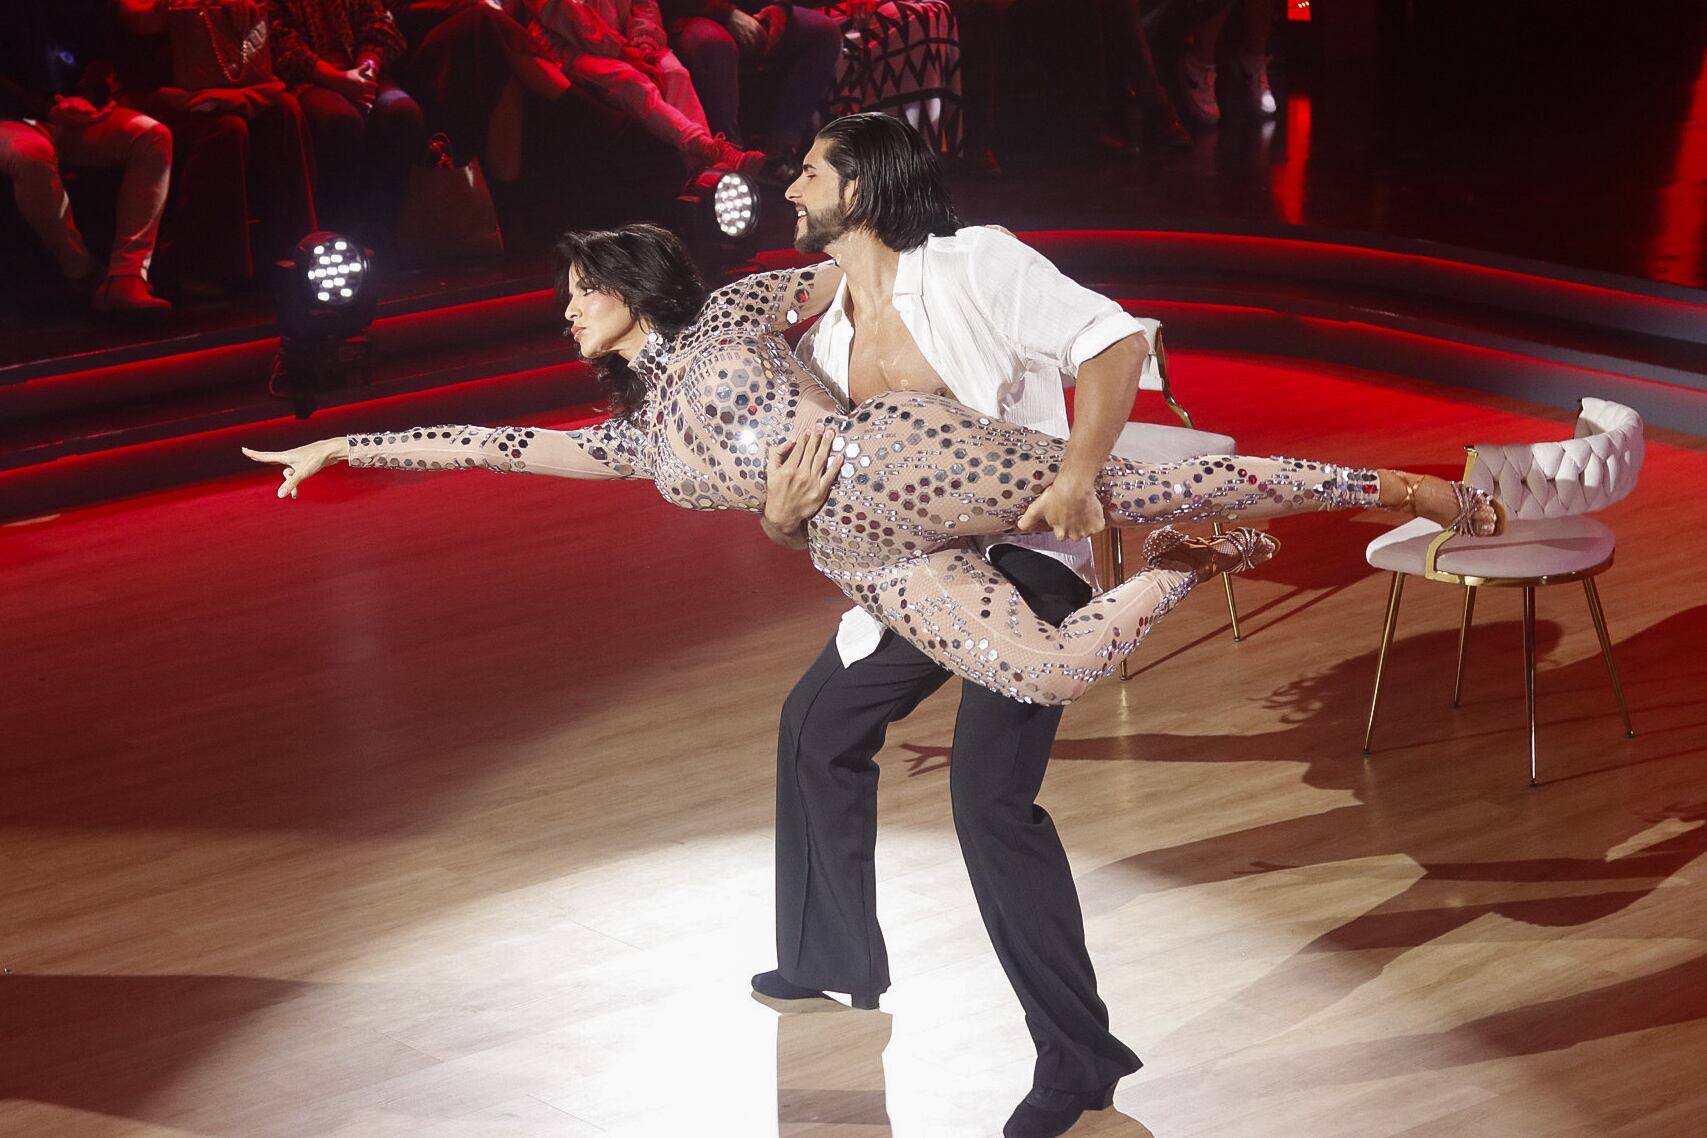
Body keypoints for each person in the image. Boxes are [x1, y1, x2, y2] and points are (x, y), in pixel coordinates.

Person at [245, 216, 1498, 1136]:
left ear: (631, 290)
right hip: (868, 557)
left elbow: (856, 256)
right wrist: (351, 443)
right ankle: (1168, 578)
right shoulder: (632, 437)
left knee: (1146, 503)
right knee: (879, 710)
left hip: (933, 473)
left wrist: (867, 240)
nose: (567, 311)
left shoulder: (749, 306)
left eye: (580, 290)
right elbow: (497, 446)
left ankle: (1386, 485)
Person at [1, 0, 173, 313]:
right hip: (8, 115)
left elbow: (99, 54)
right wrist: (45, 107)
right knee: (32, 155)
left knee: (151, 136)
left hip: (60, 111)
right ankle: (85, 275)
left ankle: (127, 276)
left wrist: (87, 98)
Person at [526, 0, 764, 173]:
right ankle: (705, 147)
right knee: (632, 81)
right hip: (569, 48)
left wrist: (645, 44)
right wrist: (619, 51)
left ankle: (703, 172)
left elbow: (644, 5)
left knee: (675, 73)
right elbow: (567, 17)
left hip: (626, 42)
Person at [267, 0, 425, 253]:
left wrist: (368, 68)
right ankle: (339, 237)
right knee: (340, 121)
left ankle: (380, 234)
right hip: (308, 79)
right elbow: (278, 42)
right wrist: (337, 79)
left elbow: (377, 20)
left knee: (403, 113)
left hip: (359, 71)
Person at [660, 0, 843, 173]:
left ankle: (780, 150)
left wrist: (780, 7)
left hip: (749, 10)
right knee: (715, 45)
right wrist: (727, 13)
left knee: (824, 32)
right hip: (696, 12)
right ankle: (730, 157)